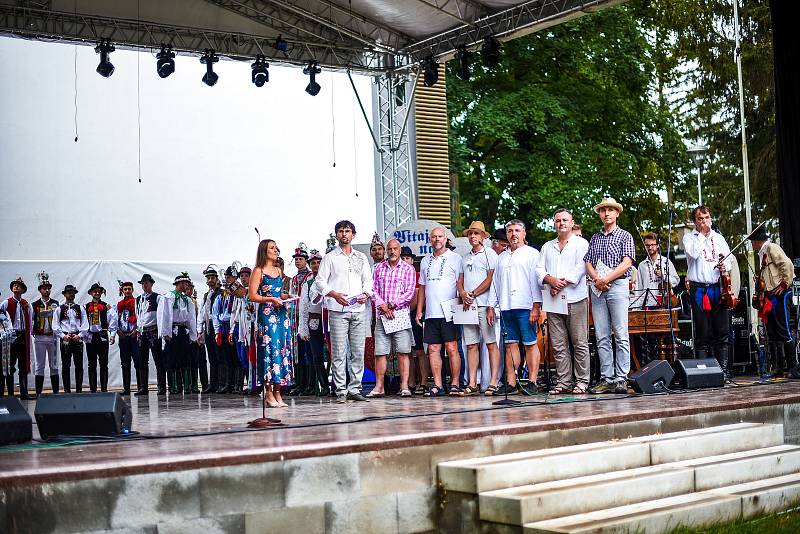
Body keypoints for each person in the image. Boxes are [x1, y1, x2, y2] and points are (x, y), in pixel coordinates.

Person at [314, 220, 373, 403]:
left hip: (358, 309)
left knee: (357, 351)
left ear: (353, 235)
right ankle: (340, 390)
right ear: (336, 235)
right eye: (340, 231)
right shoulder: (330, 257)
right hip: (337, 309)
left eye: (347, 231)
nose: (344, 234)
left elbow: (368, 280)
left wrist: (366, 293)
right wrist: (333, 294)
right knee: (339, 352)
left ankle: (355, 388)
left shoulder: (361, 257)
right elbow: (319, 281)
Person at [536, 209, 591, 394]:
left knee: (579, 342)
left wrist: (560, 283)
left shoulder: (581, 243)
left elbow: (581, 267)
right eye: (558, 220)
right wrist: (550, 280)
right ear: (554, 224)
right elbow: (538, 269)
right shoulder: (547, 246)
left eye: (565, 220)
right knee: (559, 344)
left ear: (572, 222)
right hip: (553, 300)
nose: (561, 223)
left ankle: (582, 381)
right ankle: (564, 382)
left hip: (575, 298)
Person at [584, 198, 636, 394]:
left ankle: (621, 378)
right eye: (603, 210)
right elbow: (588, 262)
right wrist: (598, 279)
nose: (606, 213)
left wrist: (606, 279)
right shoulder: (595, 238)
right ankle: (607, 377)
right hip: (598, 287)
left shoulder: (625, 236)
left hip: (618, 285)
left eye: (610, 210)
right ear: (599, 214)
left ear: (617, 213)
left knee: (621, 333)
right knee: (601, 335)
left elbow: (627, 262)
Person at [682, 206, 734, 380]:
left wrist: (724, 266)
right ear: (695, 221)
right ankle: (704, 373)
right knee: (702, 333)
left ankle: (724, 372)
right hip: (699, 289)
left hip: (717, 287)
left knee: (722, 331)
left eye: (707, 217)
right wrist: (703, 236)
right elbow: (694, 254)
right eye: (700, 218)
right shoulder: (689, 238)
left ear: (711, 218)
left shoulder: (719, 238)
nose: (704, 221)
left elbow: (730, 262)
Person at [494, 220, 543, 395]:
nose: (513, 234)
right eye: (510, 231)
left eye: (517, 230)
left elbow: (536, 282)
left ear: (524, 234)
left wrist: (536, 306)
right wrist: (492, 306)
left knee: (530, 343)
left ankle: (532, 381)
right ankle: (511, 382)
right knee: (510, 345)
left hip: (525, 305)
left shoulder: (532, 254)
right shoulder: (501, 257)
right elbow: (496, 283)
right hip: (506, 306)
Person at [415, 226, 463, 397]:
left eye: (440, 236)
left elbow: (460, 283)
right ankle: (437, 384)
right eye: (434, 237)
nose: (437, 239)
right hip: (431, 312)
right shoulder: (424, 260)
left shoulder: (456, 258)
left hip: (449, 310)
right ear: (430, 239)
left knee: (451, 348)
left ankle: (455, 383)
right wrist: (419, 309)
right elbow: (422, 287)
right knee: (433, 349)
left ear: (445, 239)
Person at [457, 221, 500, 396]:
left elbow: (491, 279)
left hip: (483, 303)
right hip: (468, 305)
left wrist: (473, 293)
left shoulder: (490, 254)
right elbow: (460, 280)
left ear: (483, 236)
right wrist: (462, 293)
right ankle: (472, 382)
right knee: (471, 345)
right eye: (470, 234)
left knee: (490, 343)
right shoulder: (464, 257)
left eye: (476, 233)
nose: (472, 236)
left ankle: (493, 381)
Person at [250, 239, 294, 408]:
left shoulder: (278, 271)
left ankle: (278, 391)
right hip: (268, 314)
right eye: (272, 248)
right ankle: (268, 392)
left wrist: (285, 297)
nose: (276, 250)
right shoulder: (258, 271)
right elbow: (252, 296)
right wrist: (270, 299)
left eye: (276, 247)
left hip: (281, 314)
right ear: (264, 251)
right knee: (270, 350)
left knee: (282, 350)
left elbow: (278, 293)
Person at [749, 228, 798, 378]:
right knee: (773, 332)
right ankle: (779, 367)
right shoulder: (763, 253)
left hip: (780, 295)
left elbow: (787, 264)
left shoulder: (771, 247)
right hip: (770, 295)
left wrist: (784, 283)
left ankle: (793, 368)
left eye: (752, 242)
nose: (752, 245)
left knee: (784, 329)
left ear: (757, 241)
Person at [371, 238, 416, 397]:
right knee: (380, 353)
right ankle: (379, 387)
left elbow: (409, 293)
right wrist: (383, 306)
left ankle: (404, 386)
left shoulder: (408, 269)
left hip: (400, 315)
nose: (392, 252)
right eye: (389, 249)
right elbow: (373, 290)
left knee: (403, 352)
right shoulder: (378, 268)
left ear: (399, 250)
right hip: (382, 316)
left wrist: (390, 305)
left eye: (395, 249)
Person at [157, 273, 198, 394]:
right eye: (186, 283)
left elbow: (191, 318)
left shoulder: (187, 299)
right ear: (179, 284)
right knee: (172, 358)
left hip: (183, 331)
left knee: (185, 358)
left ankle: (187, 385)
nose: (187, 286)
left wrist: (192, 334)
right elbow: (164, 315)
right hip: (172, 331)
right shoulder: (169, 297)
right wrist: (166, 332)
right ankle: (174, 386)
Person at [298, 249, 330, 396]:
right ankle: (324, 385)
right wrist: (303, 328)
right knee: (316, 355)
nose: (316, 265)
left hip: (331, 320)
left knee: (335, 353)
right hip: (315, 321)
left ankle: (338, 384)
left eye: (319, 262)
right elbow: (304, 306)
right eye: (313, 263)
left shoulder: (331, 279)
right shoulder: (308, 283)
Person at [0, 278, 36, 399]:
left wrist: (31, 334)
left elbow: (30, 320)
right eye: (14, 285)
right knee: (10, 365)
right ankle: (10, 393)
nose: (16, 287)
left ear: (23, 290)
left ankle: (24, 393)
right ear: (12, 288)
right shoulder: (6, 303)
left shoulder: (27, 304)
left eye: (18, 286)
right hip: (11, 336)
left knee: (23, 365)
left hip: (23, 336)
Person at [402, 246, 428, 394]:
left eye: (407, 258)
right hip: (401, 315)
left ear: (412, 260)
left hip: (414, 315)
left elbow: (419, 298)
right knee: (407, 351)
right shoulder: (398, 275)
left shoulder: (417, 275)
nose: (405, 261)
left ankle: (424, 381)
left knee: (419, 350)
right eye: (403, 258)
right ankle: (410, 382)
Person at [289, 243, 314, 396]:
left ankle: (310, 384)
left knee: (308, 352)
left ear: (306, 261)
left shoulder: (310, 277)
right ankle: (300, 384)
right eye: (296, 259)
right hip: (295, 319)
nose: (298, 261)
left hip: (307, 317)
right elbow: (291, 297)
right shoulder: (293, 279)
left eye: (300, 259)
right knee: (297, 353)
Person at [53, 284, 88, 393]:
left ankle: (79, 390)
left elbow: (85, 323)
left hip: (77, 338)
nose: (71, 294)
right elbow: (55, 325)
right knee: (65, 365)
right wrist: (63, 336)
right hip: (65, 338)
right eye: (69, 292)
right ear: (65, 294)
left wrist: (80, 335)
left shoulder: (80, 308)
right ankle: (67, 390)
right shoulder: (59, 309)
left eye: (72, 292)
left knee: (79, 365)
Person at [31, 272, 60, 395]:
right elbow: (31, 320)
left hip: (52, 337)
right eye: (44, 289)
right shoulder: (34, 305)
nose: (47, 290)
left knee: (54, 364)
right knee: (40, 364)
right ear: (40, 290)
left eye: (48, 288)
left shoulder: (56, 303)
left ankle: (56, 393)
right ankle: (38, 393)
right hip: (40, 337)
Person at [85, 282, 116, 393]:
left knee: (104, 363)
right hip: (90, 337)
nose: (97, 293)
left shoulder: (107, 306)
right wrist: (83, 335)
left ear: (101, 293)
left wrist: (112, 335)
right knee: (91, 364)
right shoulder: (86, 306)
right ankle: (93, 390)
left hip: (102, 336)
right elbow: (83, 322)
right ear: (91, 293)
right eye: (95, 291)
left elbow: (113, 319)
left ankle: (104, 389)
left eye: (99, 291)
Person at [136, 274, 164, 395]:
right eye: (142, 283)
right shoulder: (138, 299)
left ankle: (161, 386)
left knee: (158, 359)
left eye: (146, 283)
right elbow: (138, 316)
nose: (144, 285)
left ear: (151, 284)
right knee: (142, 360)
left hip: (153, 331)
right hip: (142, 332)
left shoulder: (157, 297)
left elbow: (161, 315)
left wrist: (161, 330)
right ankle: (143, 387)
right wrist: (138, 330)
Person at [636, 233, 679, 309]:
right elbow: (639, 288)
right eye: (647, 245)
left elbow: (676, 280)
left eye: (652, 244)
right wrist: (638, 306)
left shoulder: (666, 261)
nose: (650, 247)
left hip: (665, 302)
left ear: (657, 245)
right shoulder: (641, 265)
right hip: (647, 304)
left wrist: (664, 275)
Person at [212, 266, 237, 393]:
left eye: (229, 277)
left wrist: (232, 329)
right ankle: (226, 384)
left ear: (235, 278)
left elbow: (235, 313)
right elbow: (215, 314)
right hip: (223, 327)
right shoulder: (220, 296)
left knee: (235, 356)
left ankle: (235, 384)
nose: (227, 280)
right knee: (224, 356)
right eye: (226, 277)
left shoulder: (237, 295)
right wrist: (217, 331)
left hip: (233, 326)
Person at [197, 266, 222, 394]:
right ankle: (212, 384)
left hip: (216, 326)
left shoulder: (220, 293)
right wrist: (199, 330)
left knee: (218, 356)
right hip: (208, 327)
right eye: (208, 278)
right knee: (211, 356)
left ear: (216, 279)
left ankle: (219, 383)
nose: (210, 280)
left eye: (212, 278)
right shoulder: (207, 294)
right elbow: (202, 313)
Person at [111, 281, 138, 395]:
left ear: (132, 290)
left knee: (138, 362)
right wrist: (117, 331)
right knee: (125, 363)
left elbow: (141, 317)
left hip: (134, 336)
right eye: (125, 289)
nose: (127, 291)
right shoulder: (119, 305)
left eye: (129, 289)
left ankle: (141, 386)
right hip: (123, 336)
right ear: (122, 291)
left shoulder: (137, 302)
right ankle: (126, 388)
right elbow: (114, 319)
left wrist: (136, 331)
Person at [0, 290, 16, 397]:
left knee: (9, 368)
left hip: (6, 345)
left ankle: (10, 395)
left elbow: (10, 325)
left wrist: (9, 332)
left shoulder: (3, 313)